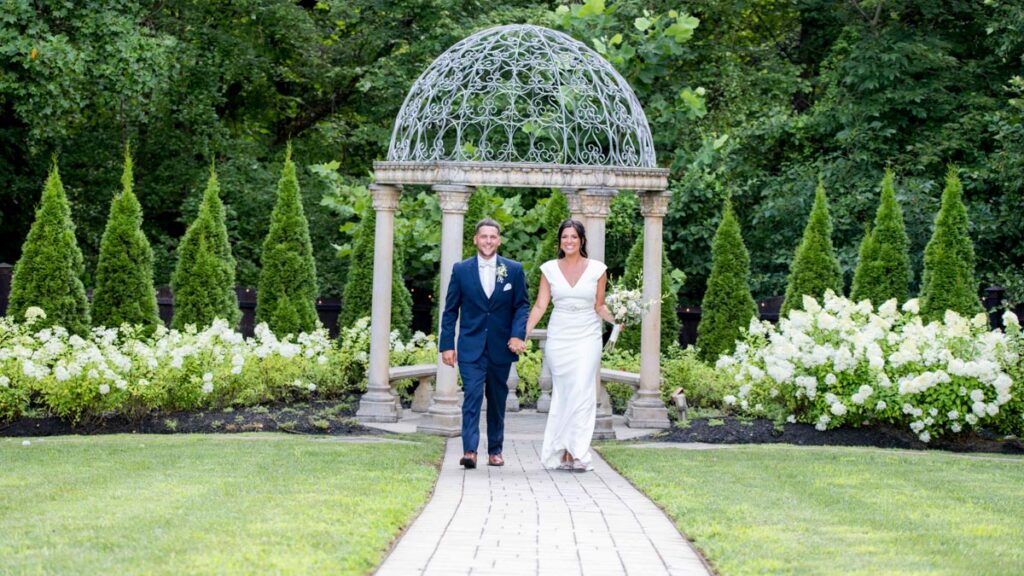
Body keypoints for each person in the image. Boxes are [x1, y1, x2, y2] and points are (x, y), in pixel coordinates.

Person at [526, 219, 618, 472]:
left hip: (587, 337)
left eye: (574, 237)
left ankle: (578, 452)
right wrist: (522, 333)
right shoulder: (549, 269)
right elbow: (540, 305)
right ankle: (562, 451)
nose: (569, 241)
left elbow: (599, 306)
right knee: (565, 393)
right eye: (565, 237)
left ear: (582, 241)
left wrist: (619, 319)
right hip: (560, 336)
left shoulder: (598, 270)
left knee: (583, 391)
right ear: (560, 241)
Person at [440, 219, 530, 469]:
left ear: (499, 240)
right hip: (471, 346)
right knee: (472, 395)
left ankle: (495, 450)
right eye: (484, 236)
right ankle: (470, 450)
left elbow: (522, 305)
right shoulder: (461, 270)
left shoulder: (514, 269)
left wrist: (517, 334)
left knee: (497, 398)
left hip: (501, 347)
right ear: (475, 239)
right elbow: (450, 310)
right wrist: (447, 345)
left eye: (493, 237)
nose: (488, 241)